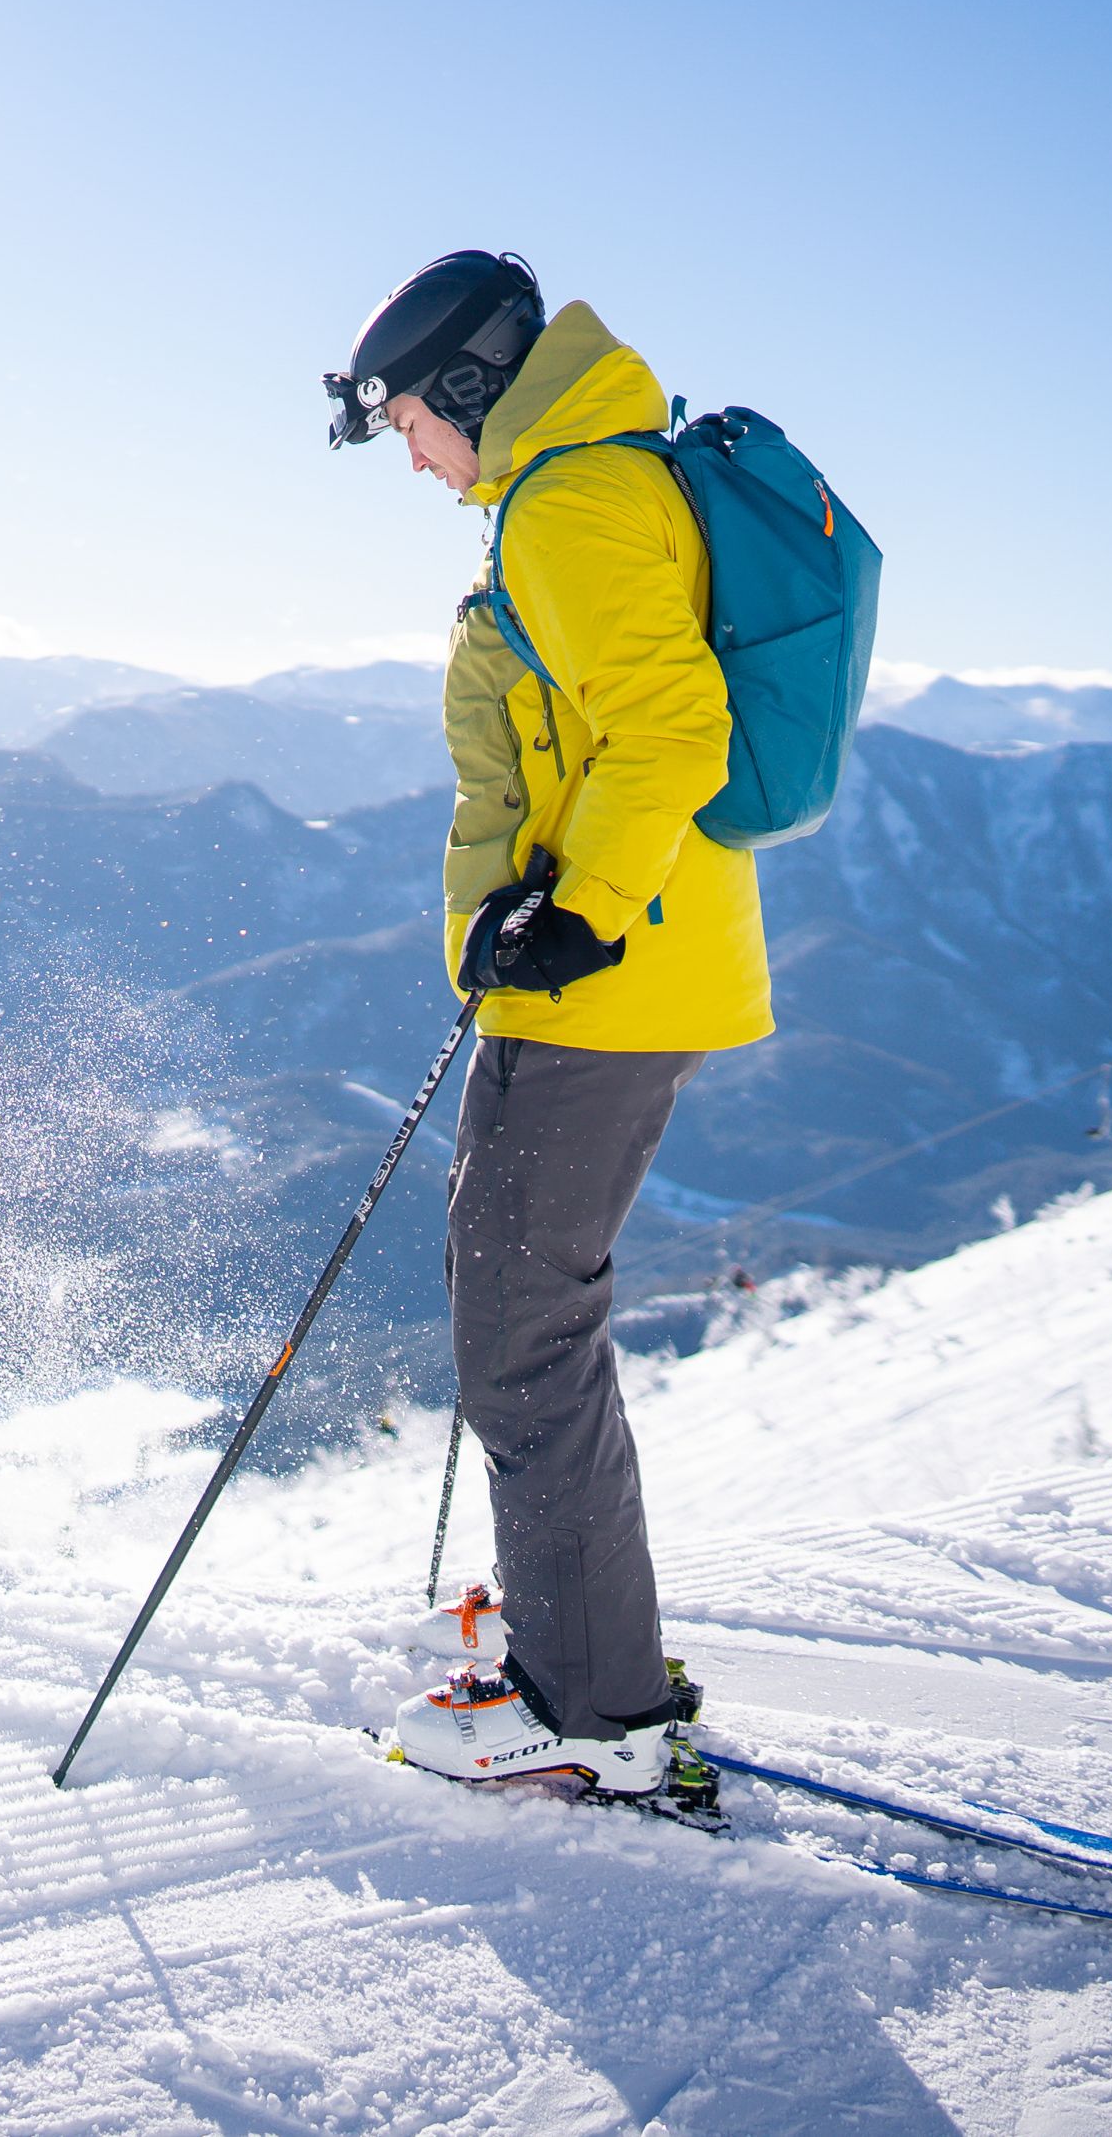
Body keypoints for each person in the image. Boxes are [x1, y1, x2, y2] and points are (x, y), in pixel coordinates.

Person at [322, 250, 773, 1802]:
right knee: (515, 1308)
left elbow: (672, 728)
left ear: (462, 390)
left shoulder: (574, 503)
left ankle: (594, 1713)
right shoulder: (573, 487)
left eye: (402, 421)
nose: (405, 453)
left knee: (520, 1334)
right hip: (595, 969)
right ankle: (583, 1659)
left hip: (607, 976)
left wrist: (578, 912)